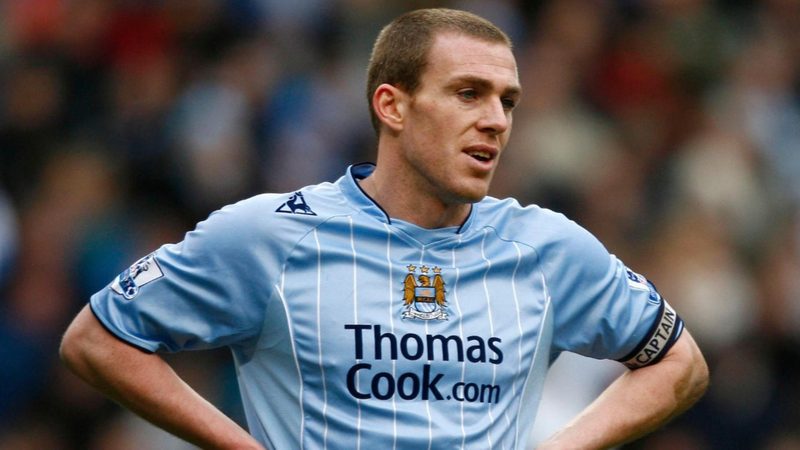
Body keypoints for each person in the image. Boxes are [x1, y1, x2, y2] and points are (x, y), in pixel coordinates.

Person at [60, 8, 709, 449]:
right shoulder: (271, 235)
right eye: (468, 93)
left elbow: (679, 363)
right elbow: (97, 340)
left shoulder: (546, 248)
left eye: (507, 100)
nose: (496, 120)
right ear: (392, 106)